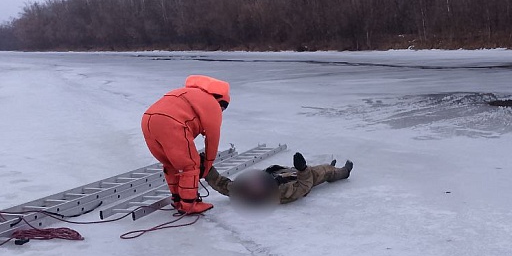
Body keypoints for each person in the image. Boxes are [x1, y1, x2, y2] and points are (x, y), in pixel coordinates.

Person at [141, 75, 230, 214]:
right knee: (191, 165)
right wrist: (206, 166)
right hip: (171, 123)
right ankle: (189, 205)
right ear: (220, 101)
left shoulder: (186, 93)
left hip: (148, 119)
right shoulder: (212, 104)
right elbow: (212, 139)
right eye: (223, 108)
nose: (222, 112)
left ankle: (177, 199)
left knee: (171, 163)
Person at [205, 152, 353, 205]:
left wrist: (206, 169)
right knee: (323, 171)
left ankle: (331, 168)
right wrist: (302, 169)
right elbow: (303, 186)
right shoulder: (281, 193)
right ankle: (343, 172)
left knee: (320, 168)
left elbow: (221, 183)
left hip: (284, 173)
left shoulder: (241, 187)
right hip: (300, 179)